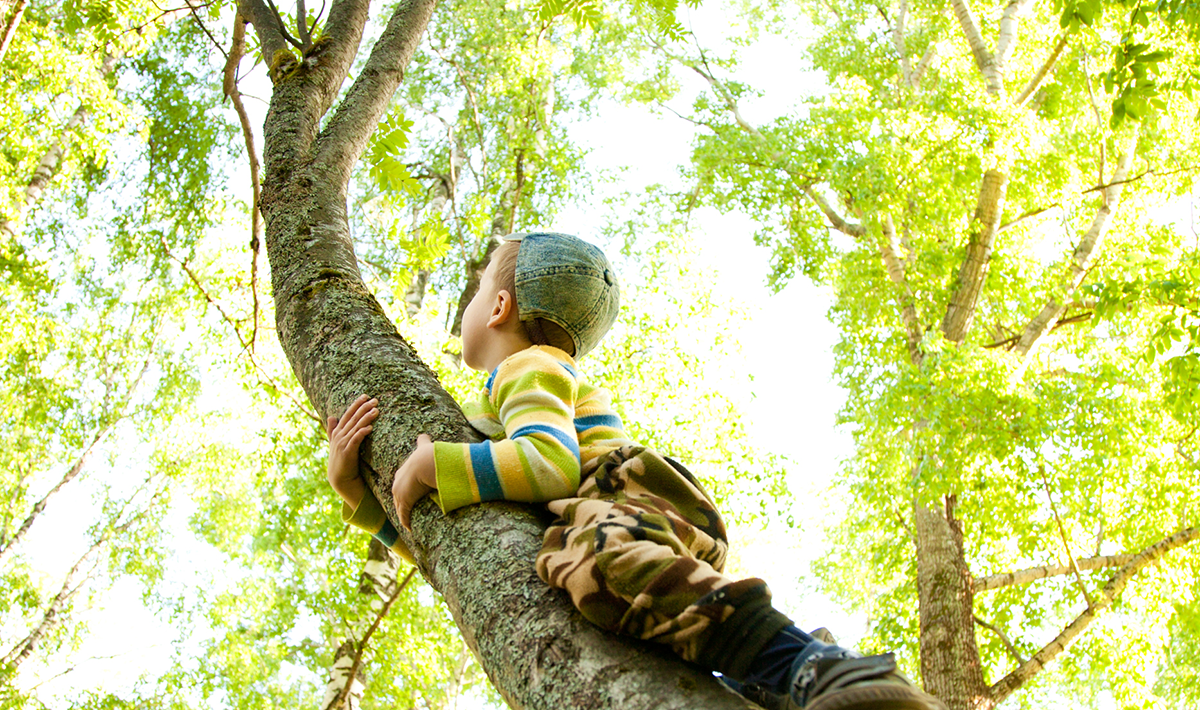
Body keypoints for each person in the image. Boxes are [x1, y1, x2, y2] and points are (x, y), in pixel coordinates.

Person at [325, 231, 945, 710]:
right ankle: (778, 682)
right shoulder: (520, 386)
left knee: (608, 563)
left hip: (623, 491)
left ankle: (808, 663)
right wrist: (359, 495)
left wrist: (439, 462)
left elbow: (548, 464)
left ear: (500, 307)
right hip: (644, 505)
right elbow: (454, 552)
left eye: (479, 285)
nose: (470, 298)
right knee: (631, 603)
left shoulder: (528, 367)